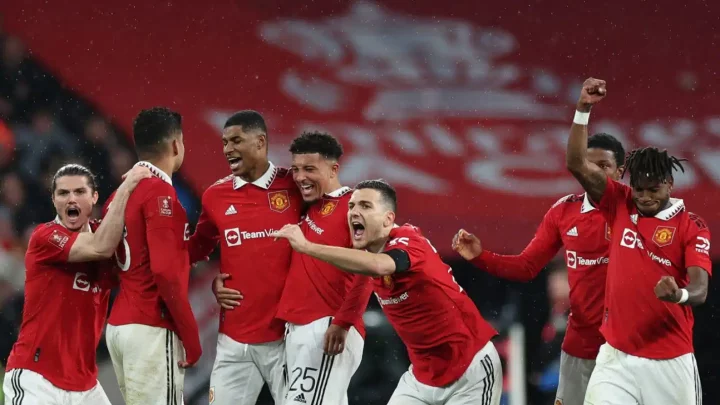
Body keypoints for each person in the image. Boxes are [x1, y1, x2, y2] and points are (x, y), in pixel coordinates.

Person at [274, 179, 503, 405]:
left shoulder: (410, 242)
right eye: (351, 206)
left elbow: (379, 266)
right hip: (421, 378)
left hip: (470, 371)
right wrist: (343, 322)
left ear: (388, 219)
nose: (353, 212)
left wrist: (307, 247)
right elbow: (364, 275)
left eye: (365, 206)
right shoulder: (371, 253)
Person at [565, 78, 711, 405]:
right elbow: (576, 163)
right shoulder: (620, 202)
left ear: (670, 184)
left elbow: (700, 290)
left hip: (669, 363)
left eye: (653, 190)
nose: (644, 197)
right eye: (639, 188)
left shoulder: (691, 227)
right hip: (615, 359)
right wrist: (583, 109)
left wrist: (680, 294)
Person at [452, 133, 626, 405]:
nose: (594, 173)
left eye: (603, 166)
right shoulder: (563, 212)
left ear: (621, 171)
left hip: (628, 344)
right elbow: (526, 266)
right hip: (580, 346)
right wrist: (480, 256)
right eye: (588, 165)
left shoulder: (637, 210)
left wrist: (583, 108)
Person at [218, 131, 373, 405]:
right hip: (297, 329)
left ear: (334, 168)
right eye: (296, 169)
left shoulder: (354, 208)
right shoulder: (307, 207)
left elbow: (370, 268)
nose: (300, 177)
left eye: (310, 169)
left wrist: (344, 321)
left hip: (327, 327)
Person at [3, 163, 150, 405]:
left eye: (80, 192)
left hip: (85, 385)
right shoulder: (45, 237)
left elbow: (147, 264)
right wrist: (127, 188)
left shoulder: (107, 234)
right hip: (36, 378)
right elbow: (99, 247)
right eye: (63, 193)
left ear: (94, 197)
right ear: (53, 200)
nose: (71, 199)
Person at [189, 110, 302, 405]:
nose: (228, 149)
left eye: (236, 140)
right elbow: (195, 250)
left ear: (261, 142)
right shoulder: (215, 196)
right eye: (225, 142)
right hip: (235, 340)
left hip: (288, 337)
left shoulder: (296, 187)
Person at [104, 107, 202, 405]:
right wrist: (190, 333)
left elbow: (105, 260)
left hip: (120, 326)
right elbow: (165, 273)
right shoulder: (160, 194)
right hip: (151, 327)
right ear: (175, 145)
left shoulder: (119, 194)